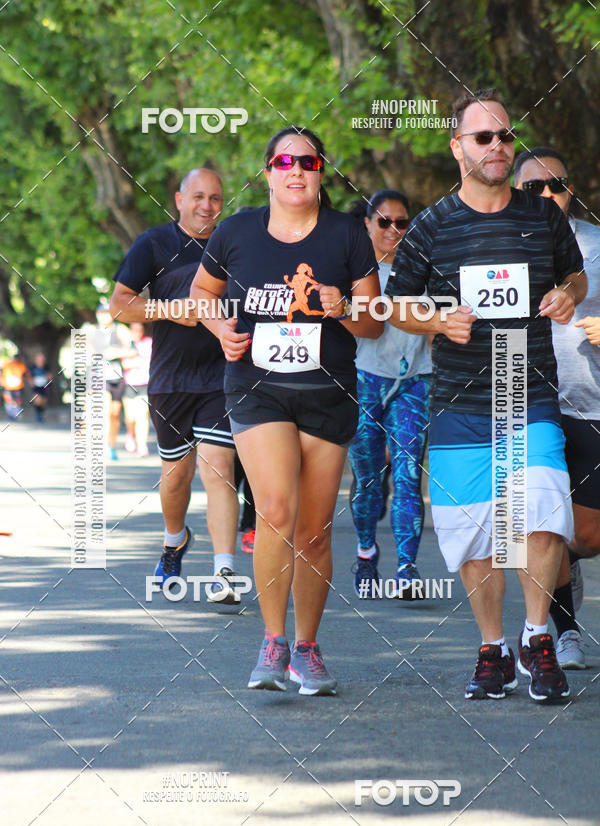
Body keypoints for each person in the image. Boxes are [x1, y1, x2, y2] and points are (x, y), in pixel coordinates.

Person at [386, 88, 587, 703]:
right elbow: (396, 305)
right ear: (458, 147)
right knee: (471, 531)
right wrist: (437, 321)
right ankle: (492, 648)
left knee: (544, 510)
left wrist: (568, 295)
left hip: (529, 392)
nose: (498, 147)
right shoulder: (431, 224)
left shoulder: (542, 216)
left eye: (505, 137)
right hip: (459, 399)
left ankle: (538, 639)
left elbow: (573, 274)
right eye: (484, 138)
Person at [189, 125, 382, 695]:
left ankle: (307, 648)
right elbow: (203, 293)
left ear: (321, 170)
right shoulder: (237, 231)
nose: (295, 169)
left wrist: (345, 307)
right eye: (283, 161)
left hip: (327, 390)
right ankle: (272, 642)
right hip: (258, 386)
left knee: (315, 528)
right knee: (275, 508)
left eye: (307, 161)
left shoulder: (347, 234)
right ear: (268, 171)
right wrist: (217, 324)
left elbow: (373, 322)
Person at [109, 168, 241, 605]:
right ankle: (174, 542)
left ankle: (225, 572)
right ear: (179, 199)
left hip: (222, 377)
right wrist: (168, 310)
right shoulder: (154, 243)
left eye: (216, 198)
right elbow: (119, 306)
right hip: (170, 380)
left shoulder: (234, 243)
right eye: (199, 196)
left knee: (219, 469)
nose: (207, 205)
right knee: (176, 477)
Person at [514, 147, 600, 669]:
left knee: (583, 536)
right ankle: (559, 631)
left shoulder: (596, 245)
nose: (547, 195)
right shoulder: (497, 241)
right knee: (538, 522)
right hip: (524, 404)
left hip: (589, 404)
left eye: (557, 185)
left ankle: (566, 564)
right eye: (533, 188)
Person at [349, 189, 432, 600]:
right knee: (367, 481)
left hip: (415, 381)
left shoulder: (426, 268)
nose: (394, 230)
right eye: (384, 222)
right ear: (368, 224)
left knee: (407, 474)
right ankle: (366, 554)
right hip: (363, 381)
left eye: (402, 223)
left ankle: (407, 568)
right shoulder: (351, 271)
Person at [94, 300, 132, 460]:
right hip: (99, 376)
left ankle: (112, 443)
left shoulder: (121, 330)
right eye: (101, 313)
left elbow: (132, 350)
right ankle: (104, 446)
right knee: (104, 410)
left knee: (114, 414)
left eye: (107, 313)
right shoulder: (91, 331)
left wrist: (117, 353)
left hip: (116, 377)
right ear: (97, 315)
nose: (104, 317)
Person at [122, 322, 152, 456]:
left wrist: (136, 362)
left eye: (139, 330)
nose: (137, 333)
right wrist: (138, 362)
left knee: (142, 415)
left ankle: (142, 445)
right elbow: (124, 363)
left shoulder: (149, 343)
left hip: (144, 384)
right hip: (129, 384)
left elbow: (150, 362)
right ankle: (130, 434)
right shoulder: (126, 344)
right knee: (130, 417)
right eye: (134, 330)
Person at [1, 353, 28, 420]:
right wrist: (2, 382)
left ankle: (15, 413)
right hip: (8, 387)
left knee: (17, 401)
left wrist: (21, 379)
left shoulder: (21, 366)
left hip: (18, 387)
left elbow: (25, 375)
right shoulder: (7, 365)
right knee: (8, 400)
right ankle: (11, 414)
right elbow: (2, 375)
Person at [29, 352, 52, 423]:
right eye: (39, 358)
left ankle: (41, 413)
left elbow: (49, 376)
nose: (40, 360)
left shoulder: (46, 366)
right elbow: (29, 376)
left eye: (42, 359)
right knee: (37, 400)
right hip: (36, 386)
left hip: (44, 386)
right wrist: (31, 383)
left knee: (43, 401)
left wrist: (49, 380)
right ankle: (38, 414)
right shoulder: (33, 367)